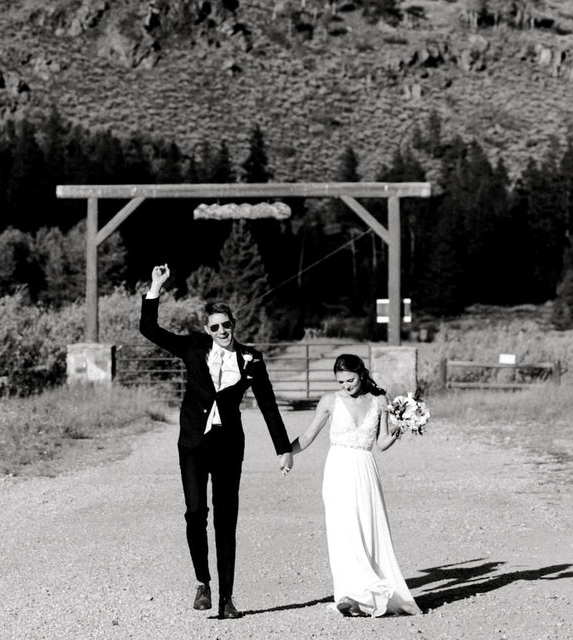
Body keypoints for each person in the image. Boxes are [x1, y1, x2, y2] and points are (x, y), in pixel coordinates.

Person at [140, 264, 293, 620]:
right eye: (216, 327)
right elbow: (149, 329)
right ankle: (202, 583)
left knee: (227, 520)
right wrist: (156, 286)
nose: (222, 331)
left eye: (227, 325)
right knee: (196, 514)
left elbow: (268, 405)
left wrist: (283, 448)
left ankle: (227, 598)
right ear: (207, 329)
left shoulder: (251, 358)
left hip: (228, 446)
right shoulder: (193, 347)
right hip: (193, 444)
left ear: (233, 325)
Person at [290, 352, 420, 617]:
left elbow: (381, 444)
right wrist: (286, 452)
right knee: (343, 530)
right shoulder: (330, 401)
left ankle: (372, 590)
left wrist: (401, 427)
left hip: (365, 468)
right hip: (338, 468)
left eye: (350, 380)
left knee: (369, 528)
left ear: (361, 374)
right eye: (341, 382)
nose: (346, 386)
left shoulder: (379, 400)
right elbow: (307, 435)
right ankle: (351, 594)